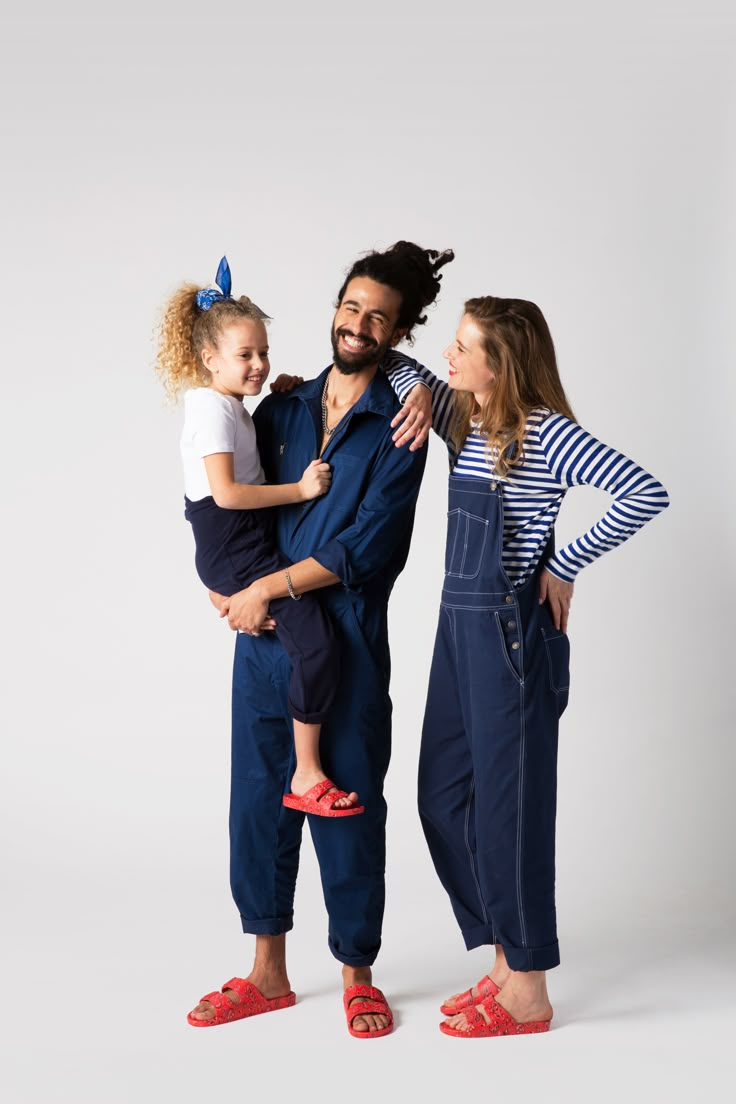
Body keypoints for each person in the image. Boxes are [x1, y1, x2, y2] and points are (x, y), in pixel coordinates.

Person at [185, 241, 453, 1037]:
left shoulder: (400, 425)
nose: (360, 323)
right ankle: (266, 972)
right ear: (334, 309)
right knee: (258, 806)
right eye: (351, 306)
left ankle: (357, 972)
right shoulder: (280, 408)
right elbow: (229, 504)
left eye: (379, 315)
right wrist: (226, 590)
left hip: (348, 643)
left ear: (398, 330)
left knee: (348, 806)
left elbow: (369, 548)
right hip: (262, 644)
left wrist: (265, 587)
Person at [393, 296, 669, 1037]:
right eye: (450, 345)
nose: (449, 357)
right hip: (457, 631)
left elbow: (646, 491)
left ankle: (530, 989)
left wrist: (565, 564)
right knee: (441, 796)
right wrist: (399, 385)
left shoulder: (544, 433)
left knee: (512, 815)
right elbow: (392, 365)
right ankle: (505, 959)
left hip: (510, 632)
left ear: (500, 361)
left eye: (462, 346)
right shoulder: (460, 415)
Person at [155, 256, 365, 816]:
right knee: (317, 644)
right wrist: (299, 492)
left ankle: (304, 766)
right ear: (209, 359)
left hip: (234, 545)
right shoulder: (214, 414)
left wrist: (286, 392)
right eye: (245, 355)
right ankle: (307, 772)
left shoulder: (227, 406)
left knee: (302, 636)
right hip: (234, 542)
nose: (258, 364)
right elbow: (225, 493)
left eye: (263, 352)